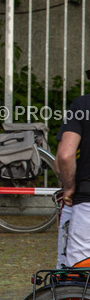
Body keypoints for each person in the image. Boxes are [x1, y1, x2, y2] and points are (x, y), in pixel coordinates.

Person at [56, 88, 90, 265]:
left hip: (87, 200)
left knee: (79, 275)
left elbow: (65, 155)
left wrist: (69, 186)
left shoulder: (82, 105)